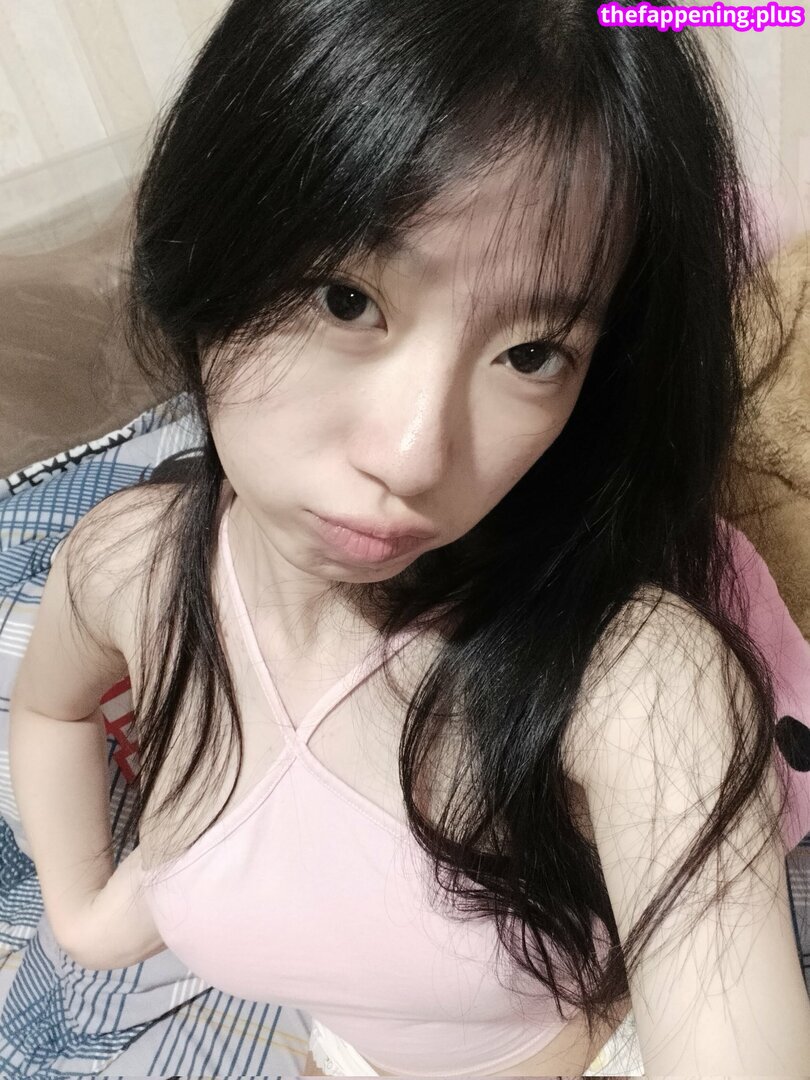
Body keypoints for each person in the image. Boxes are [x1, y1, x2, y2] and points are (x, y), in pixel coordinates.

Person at [8, 0, 810, 1074]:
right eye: (348, 299)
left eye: (533, 354)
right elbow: (49, 707)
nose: (415, 455)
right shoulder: (129, 568)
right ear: (209, 243)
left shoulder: (637, 684)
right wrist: (87, 915)